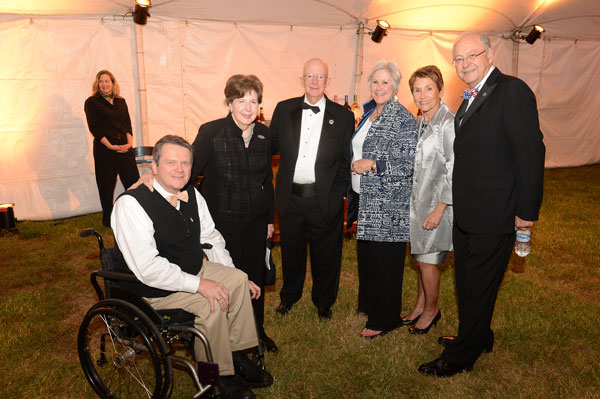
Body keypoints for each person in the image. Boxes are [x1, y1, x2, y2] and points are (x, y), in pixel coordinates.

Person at [418, 31, 545, 377]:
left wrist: (526, 212)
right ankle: (479, 335)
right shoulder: (472, 97)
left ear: (490, 53)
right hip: (469, 211)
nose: (465, 64)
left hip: (495, 211)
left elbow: (531, 153)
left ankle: (460, 356)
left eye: (471, 55)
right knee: (470, 283)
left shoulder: (511, 90)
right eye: (458, 59)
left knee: (477, 284)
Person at [112, 135, 273, 399]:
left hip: (190, 269)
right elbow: (148, 268)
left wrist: (230, 272)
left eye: (185, 163)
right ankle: (215, 379)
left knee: (239, 280)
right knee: (211, 304)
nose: (179, 169)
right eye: (171, 162)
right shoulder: (131, 205)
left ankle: (234, 355)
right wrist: (200, 285)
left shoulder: (192, 194)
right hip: (152, 289)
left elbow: (211, 239)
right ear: (154, 166)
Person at [191, 74, 277, 352]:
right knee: (228, 279)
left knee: (256, 278)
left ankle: (257, 332)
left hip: (255, 224)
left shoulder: (264, 135)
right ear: (230, 103)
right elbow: (189, 173)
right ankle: (227, 338)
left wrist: (268, 220)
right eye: (242, 101)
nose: (248, 108)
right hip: (222, 224)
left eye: (254, 101)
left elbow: (267, 181)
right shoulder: (211, 132)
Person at [270, 58, 354, 320]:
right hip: (290, 198)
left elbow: (345, 160)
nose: (315, 82)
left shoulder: (343, 116)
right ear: (302, 80)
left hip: (323, 200)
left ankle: (324, 302)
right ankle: (289, 297)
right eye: (310, 76)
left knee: (326, 255)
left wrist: (337, 193)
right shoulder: (283, 110)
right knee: (291, 252)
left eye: (320, 77)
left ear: (327, 81)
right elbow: (269, 148)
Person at [346, 61, 418, 338]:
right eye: (375, 82)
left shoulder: (403, 118)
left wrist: (374, 165)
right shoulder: (369, 113)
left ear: (396, 87)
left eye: (385, 82)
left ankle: (384, 319)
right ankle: (370, 306)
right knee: (368, 258)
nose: (379, 87)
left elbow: (407, 164)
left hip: (389, 203)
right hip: (366, 200)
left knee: (386, 263)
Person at [402, 65, 455, 335]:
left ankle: (432, 310)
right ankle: (420, 305)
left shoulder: (448, 122)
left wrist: (439, 208)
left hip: (438, 207)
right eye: (417, 90)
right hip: (419, 204)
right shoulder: (423, 120)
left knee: (429, 261)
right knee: (421, 258)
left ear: (440, 89)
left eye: (428, 88)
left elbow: (454, 168)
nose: (422, 95)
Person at [84, 70, 139, 227]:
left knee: (133, 183)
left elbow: (127, 124)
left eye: (107, 81)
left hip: (125, 148)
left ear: (113, 83)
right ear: (97, 84)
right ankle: (108, 220)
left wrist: (129, 144)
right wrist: (110, 146)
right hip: (105, 150)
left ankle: (136, 214)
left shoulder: (121, 101)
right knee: (106, 186)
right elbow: (94, 127)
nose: (104, 84)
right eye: (101, 81)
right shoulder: (92, 102)